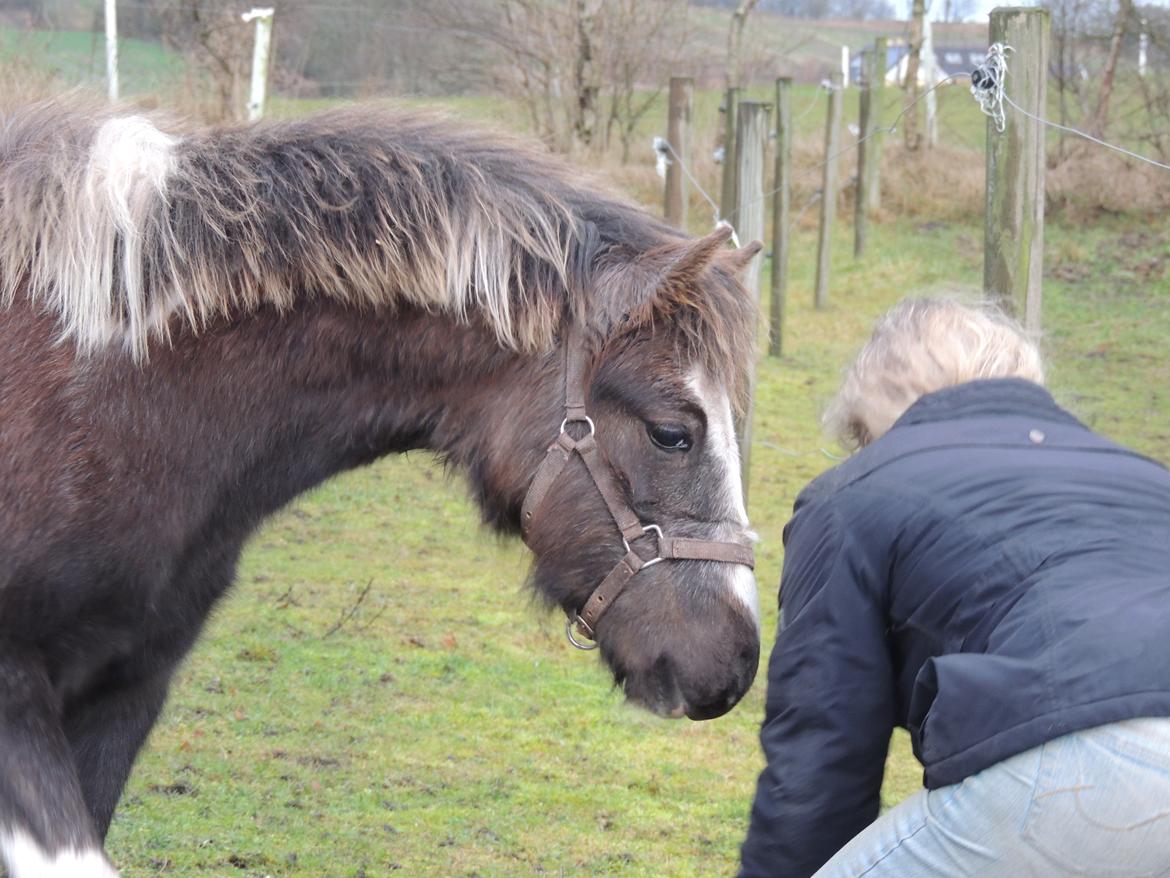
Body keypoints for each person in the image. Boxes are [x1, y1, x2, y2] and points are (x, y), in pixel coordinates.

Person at [739, 298, 1170, 878]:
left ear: (873, 406)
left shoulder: (854, 495)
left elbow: (822, 750)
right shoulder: (1147, 475)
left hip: (1078, 764)